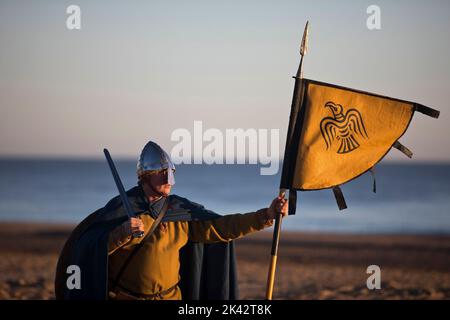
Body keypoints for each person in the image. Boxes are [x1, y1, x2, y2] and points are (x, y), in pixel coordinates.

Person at [55, 141, 288, 300]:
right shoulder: (120, 210)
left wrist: (265, 216)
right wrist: (122, 232)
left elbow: (221, 227)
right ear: (145, 177)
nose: (169, 179)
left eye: (170, 172)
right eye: (162, 173)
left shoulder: (179, 211)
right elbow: (90, 249)